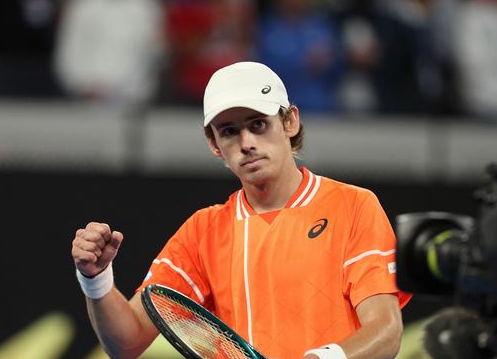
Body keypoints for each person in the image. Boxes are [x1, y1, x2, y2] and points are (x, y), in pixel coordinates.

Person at [71, 61, 412, 359]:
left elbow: (385, 331)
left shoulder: (353, 205)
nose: (246, 143)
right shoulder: (203, 231)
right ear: (214, 144)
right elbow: (126, 344)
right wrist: (97, 280)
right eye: (229, 132)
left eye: (258, 124)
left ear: (290, 122)